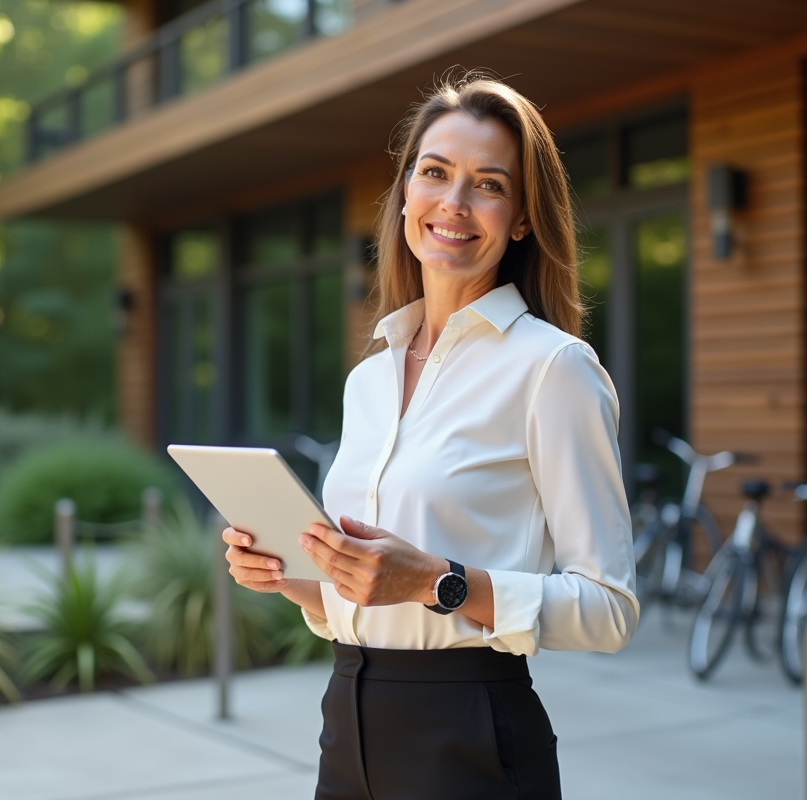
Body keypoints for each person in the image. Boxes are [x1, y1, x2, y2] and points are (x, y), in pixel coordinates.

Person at [223, 75, 638, 800]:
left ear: (521, 220)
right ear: (406, 193)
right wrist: (300, 582)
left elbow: (610, 611)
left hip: (469, 736)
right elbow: (374, 597)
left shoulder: (554, 369)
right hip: (346, 721)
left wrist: (434, 582)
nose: (454, 203)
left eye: (488, 185)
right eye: (436, 173)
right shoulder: (370, 377)